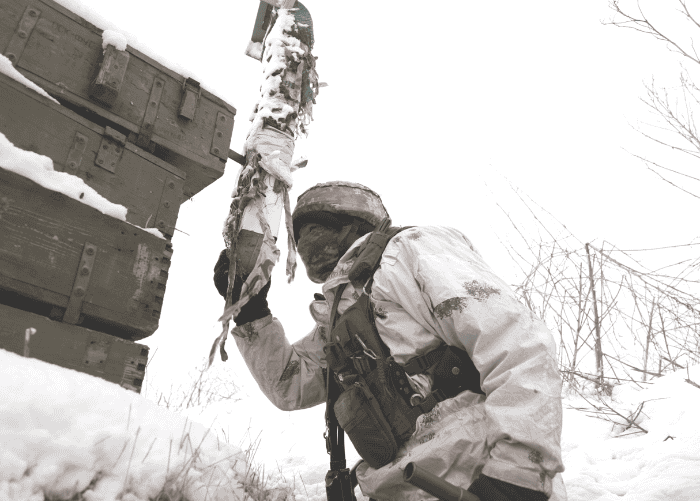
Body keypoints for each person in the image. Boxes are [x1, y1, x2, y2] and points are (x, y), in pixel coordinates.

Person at [213, 181, 567, 501]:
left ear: (353, 226)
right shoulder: (339, 319)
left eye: (314, 228)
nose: (304, 243)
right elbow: (290, 385)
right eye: (299, 235)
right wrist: (250, 313)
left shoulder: (409, 251)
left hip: (476, 478)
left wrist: (516, 476)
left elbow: (515, 344)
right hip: (401, 487)